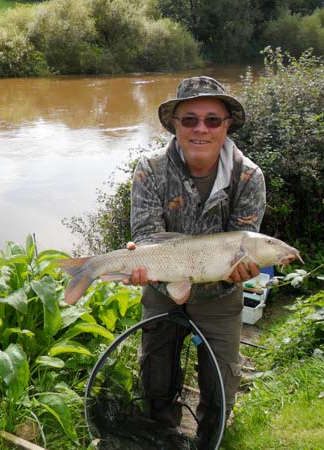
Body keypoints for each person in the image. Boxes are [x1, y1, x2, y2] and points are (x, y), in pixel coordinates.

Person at [125, 76, 267, 444]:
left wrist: (241, 273)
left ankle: (211, 438)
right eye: (189, 119)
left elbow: (244, 243)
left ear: (227, 125)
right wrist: (143, 267)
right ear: (175, 124)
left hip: (220, 296)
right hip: (161, 287)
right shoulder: (150, 169)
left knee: (221, 381)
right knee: (155, 372)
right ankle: (160, 433)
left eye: (212, 119)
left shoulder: (249, 176)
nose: (200, 129)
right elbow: (146, 238)